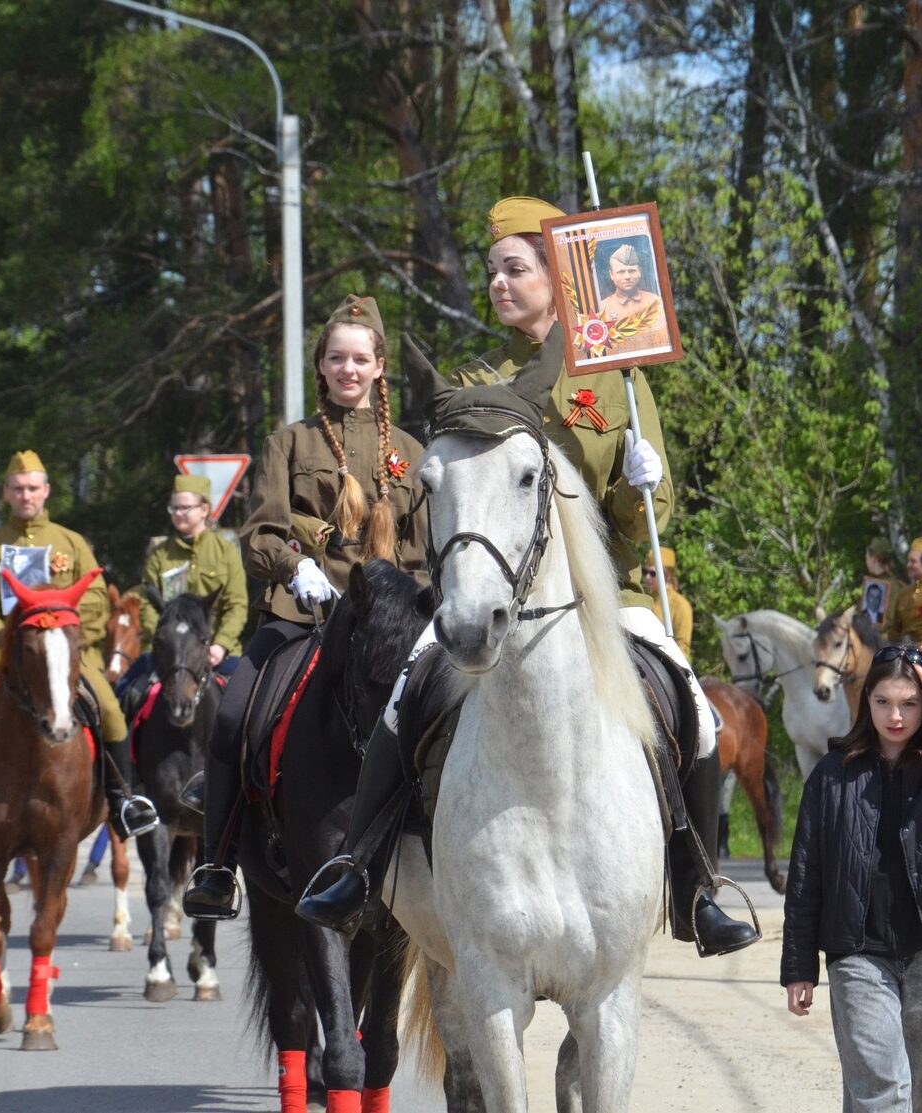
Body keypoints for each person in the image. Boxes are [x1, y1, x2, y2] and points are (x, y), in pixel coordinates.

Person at [297, 196, 759, 957]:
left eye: (515, 269)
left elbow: (654, 510)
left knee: (694, 711)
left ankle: (696, 888)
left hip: (605, 596)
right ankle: (361, 861)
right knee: (409, 689)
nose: (499, 284)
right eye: (491, 272)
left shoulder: (619, 382)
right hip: (496, 595)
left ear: (557, 278)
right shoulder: (484, 379)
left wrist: (647, 479)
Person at [181, 295, 429, 920]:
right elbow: (259, 536)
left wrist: (407, 607)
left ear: (379, 368)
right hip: (302, 619)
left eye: (361, 359)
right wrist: (299, 568)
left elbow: (422, 555)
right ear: (320, 365)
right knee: (235, 710)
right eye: (336, 358)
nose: (349, 369)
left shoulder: (411, 452)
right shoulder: (287, 443)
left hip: (387, 632)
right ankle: (216, 863)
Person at [781, 644, 922, 1111]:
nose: (896, 716)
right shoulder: (831, 775)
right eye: (884, 701)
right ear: (866, 702)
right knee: (881, 1091)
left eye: (910, 703)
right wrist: (798, 965)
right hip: (859, 955)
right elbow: (807, 874)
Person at [0, 451, 156, 848]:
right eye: (18, 489)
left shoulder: (71, 543)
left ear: (47, 491)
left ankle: (122, 803)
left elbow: (94, 601)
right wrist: (8, 635)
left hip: (67, 655)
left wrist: (63, 634)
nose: (26, 496)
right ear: (6, 493)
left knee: (109, 711)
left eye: (33, 488)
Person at [137, 473, 247, 675]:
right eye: (174, 508)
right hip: (165, 652)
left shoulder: (226, 551)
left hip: (216, 652)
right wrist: (165, 640)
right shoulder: (159, 553)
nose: (178, 513)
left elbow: (236, 606)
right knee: (127, 694)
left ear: (204, 509)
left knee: (245, 698)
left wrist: (221, 645)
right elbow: (147, 604)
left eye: (185, 507)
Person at [643, 546, 693, 659]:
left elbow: (683, 647)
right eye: (645, 571)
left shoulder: (681, 604)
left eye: (652, 573)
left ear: (668, 575)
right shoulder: (646, 600)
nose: (647, 577)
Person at [863, 536, 903, 626]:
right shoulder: (873, 582)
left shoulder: (891, 585)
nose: (866, 562)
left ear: (873, 558)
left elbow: (890, 620)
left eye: (867, 558)